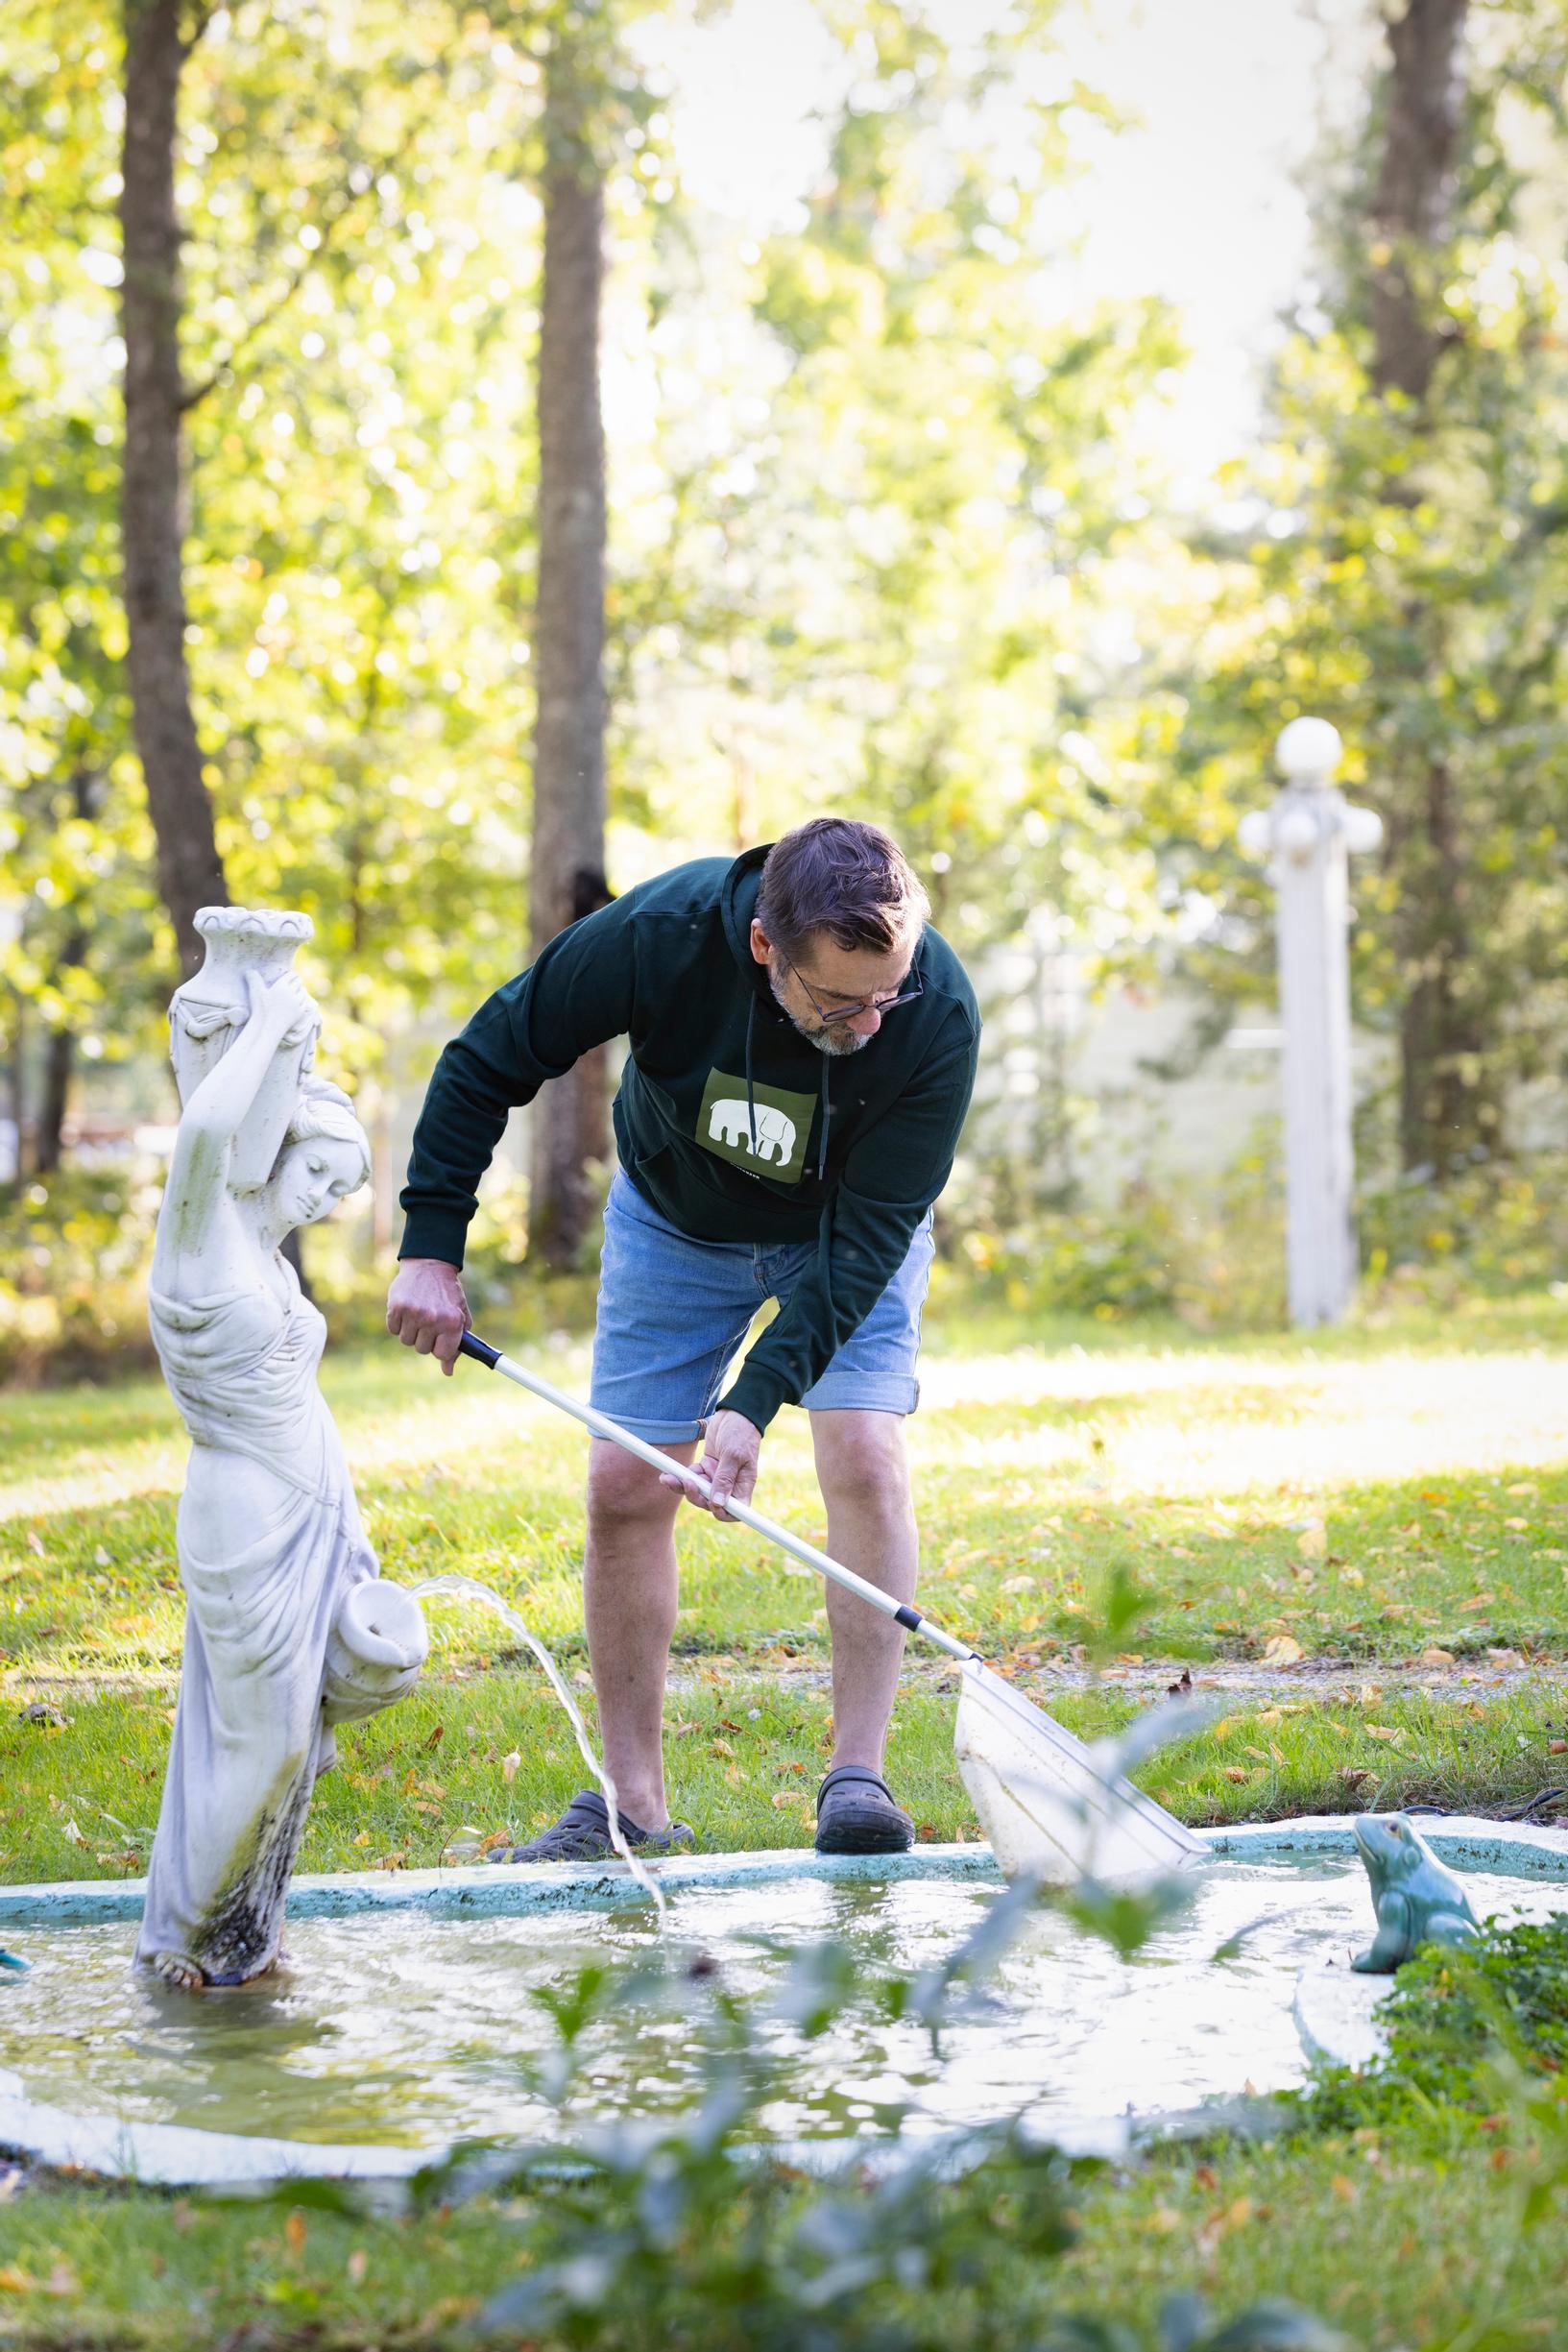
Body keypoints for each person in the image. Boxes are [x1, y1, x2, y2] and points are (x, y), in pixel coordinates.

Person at [387, 818, 979, 1859]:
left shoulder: (934, 1010)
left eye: (885, 994)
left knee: (863, 1452)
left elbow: (867, 1243)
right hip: (675, 1222)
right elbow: (488, 1056)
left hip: (843, 1236)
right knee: (624, 1481)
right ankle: (633, 1803)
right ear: (763, 945)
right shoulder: (660, 933)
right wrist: (431, 1245)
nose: (870, 1023)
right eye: (839, 1001)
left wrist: (751, 1403)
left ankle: (857, 1778)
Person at [140, 971, 402, 1988]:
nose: (326, 1199)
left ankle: (243, 1935)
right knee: (265, 1743)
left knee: (292, 1737)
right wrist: (274, 1025)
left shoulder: (268, 1255)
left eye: (340, 1188)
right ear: (282, 1143)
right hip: (243, 1513)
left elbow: (302, 1406)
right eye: (320, 1171)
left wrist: (352, 1532)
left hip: (309, 1511)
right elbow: (208, 1130)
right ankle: (178, 1937)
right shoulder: (199, 1232)